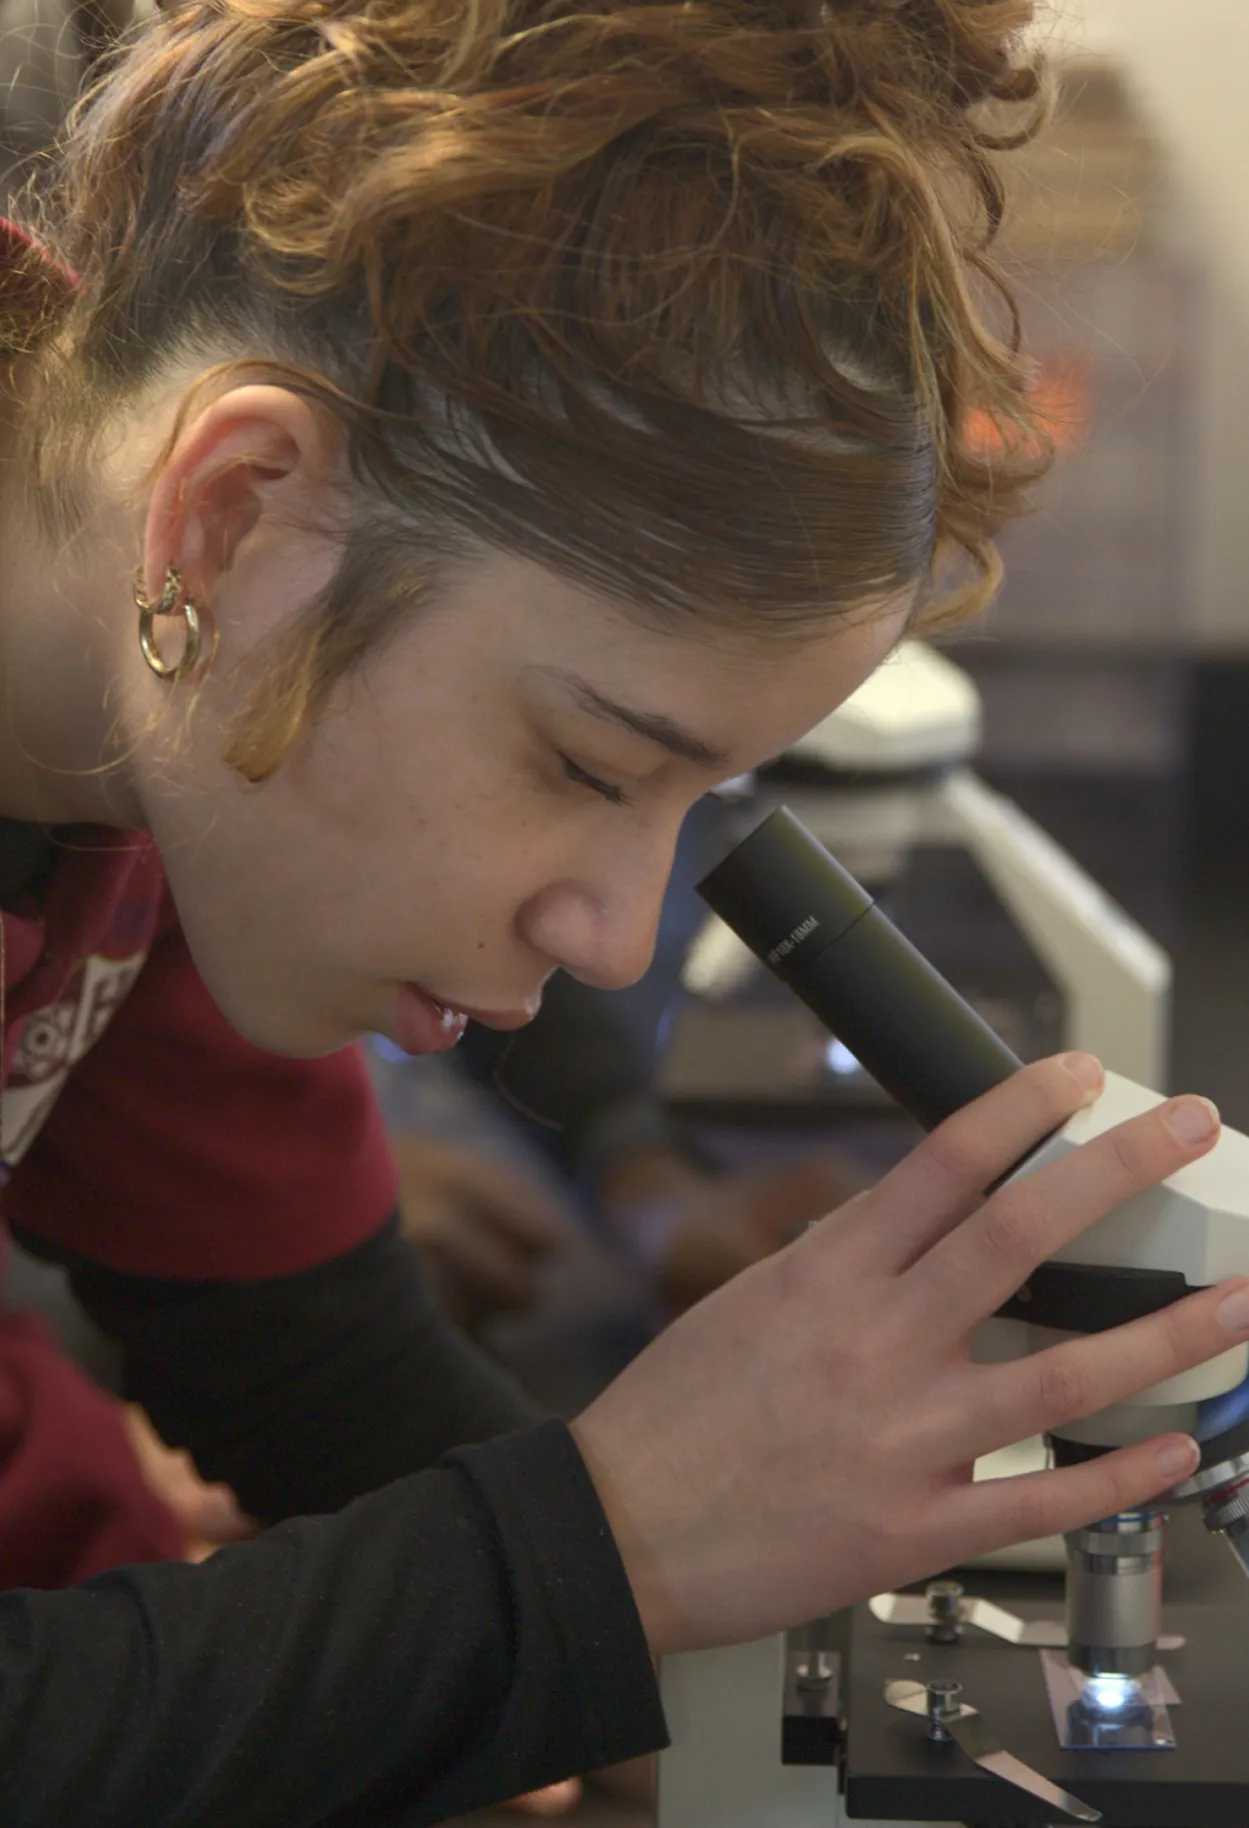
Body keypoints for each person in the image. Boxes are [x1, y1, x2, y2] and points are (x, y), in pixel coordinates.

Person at [0, 0, 1246, 1821]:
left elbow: (287, 1341)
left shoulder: (155, 763)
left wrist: (675, 1634)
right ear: (238, 514)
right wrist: (613, 1555)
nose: (615, 932)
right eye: (590, 765)